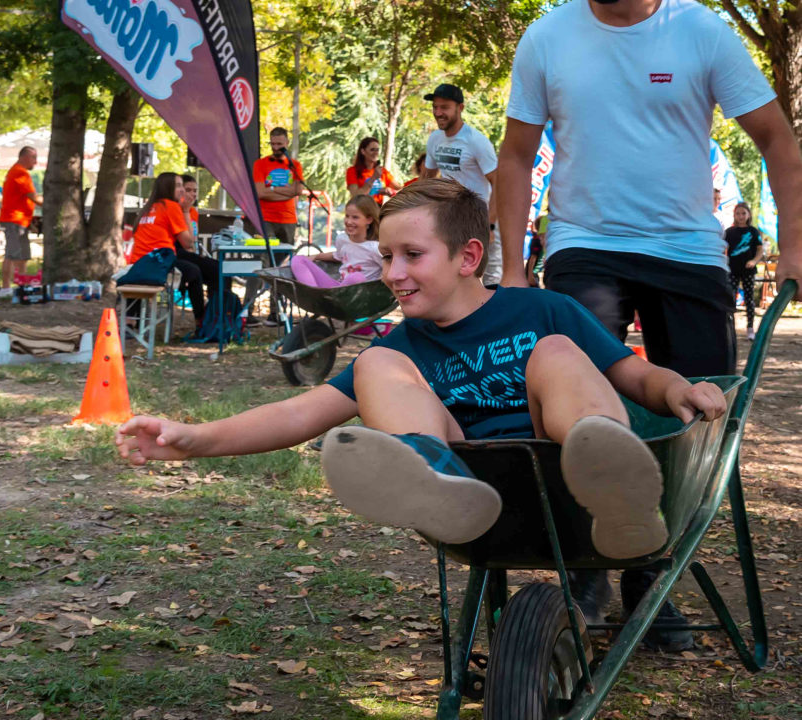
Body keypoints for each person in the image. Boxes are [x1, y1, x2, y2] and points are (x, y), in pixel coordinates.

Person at [116, 179, 727, 566]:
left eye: (411, 255)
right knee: (378, 361)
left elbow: (631, 374)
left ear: (468, 258)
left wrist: (677, 387)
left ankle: (612, 475)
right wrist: (195, 440)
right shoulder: (404, 346)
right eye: (385, 257)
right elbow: (299, 413)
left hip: (561, 464)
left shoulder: (542, 308)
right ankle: (433, 473)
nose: (391, 272)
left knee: (558, 352)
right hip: (482, 486)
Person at [497, 0, 802, 652]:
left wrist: (795, 247)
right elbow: (517, 156)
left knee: (693, 417)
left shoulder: (700, 31)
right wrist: (514, 269)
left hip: (689, 252)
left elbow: (776, 136)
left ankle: (651, 579)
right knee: (576, 398)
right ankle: (585, 572)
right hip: (584, 246)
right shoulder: (548, 36)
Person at [422, 83, 501, 285]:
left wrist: (488, 225)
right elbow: (427, 179)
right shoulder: (435, 139)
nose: (438, 113)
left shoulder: (476, 141)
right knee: (454, 276)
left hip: (481, 218)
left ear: (460, 108)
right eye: (435, 107)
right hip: (452, 217)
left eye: (445, 107)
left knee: (489, 281)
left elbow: (499, 184)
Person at [129, 172, 211, 328]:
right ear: (168, 187)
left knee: (188, 267)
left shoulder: (148, 206)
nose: (182, 190)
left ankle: (131, 320)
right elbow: (188, 243)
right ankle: (200, 321)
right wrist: (186, 211)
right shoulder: (171, 206)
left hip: (138, 264)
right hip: (157, 264)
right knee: (194, 272)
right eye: (178, 186)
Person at [249, 127, 305, 326]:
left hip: (288, 220)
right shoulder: (261, 164)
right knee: (263, 264)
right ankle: (247, 312)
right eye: (272, 144)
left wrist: (273, 189)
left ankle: (276, 313)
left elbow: (297, 190)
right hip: (265, 218)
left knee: (280, 267)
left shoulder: (294, 165)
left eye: (279, 144)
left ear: (287, 143)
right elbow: (260, 192)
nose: (276, 148)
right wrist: (284, 191)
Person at [290, 195, 382, 287]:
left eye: (355, 217)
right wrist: (316, 256)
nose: (349, 221)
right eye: (347, 216)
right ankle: (314, 294)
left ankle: (327, 298)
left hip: (359, 293)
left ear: (369, 220)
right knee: (298, 259)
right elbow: (337, 255)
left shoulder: (375, 247)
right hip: (338, 287)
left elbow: (388, 270)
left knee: (357, 277)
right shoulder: (342, 239)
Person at [176, 173, 223, 322]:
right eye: (188, 190)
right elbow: (186, 243)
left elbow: (193, 241)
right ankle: (203, 318)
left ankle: (218, 310)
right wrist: (184, 211)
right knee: (200, 270)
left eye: (195, 190)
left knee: (219, 268)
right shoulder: (176, 210)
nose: (193, 194)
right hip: (176, 253)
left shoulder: (193, 212)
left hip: (189, 252)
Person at [0, 146, 43, 291]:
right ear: (25, 156)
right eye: (34, 157)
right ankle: (5, 288)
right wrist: (52, 205)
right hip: (13, 220)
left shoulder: (18, 171)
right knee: (12, 254)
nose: (35, 162)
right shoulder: (20, 173)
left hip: (21, 220)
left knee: (23, 255)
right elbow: (33, 196)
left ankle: (21, 287)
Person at [725, 202, 764, 340]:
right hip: (732, 270)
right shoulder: (729, 232)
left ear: (748, 215)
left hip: (748, 270)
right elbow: (723, 249)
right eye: (738, 213)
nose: (741, 216)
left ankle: (750, 328)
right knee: (730, 299)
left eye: (743, 213)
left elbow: (760, 250)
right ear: (734, 215)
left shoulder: (753, 232)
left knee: (749, 299)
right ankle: (729, 328)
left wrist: (754, 261)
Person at [346, 137, 402, 205]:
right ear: (363, 151)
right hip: (361, 210)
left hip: (377, 210)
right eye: (372, 150)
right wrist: (373, 178)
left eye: (377, 150)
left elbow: (402, 190)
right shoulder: (352, 171)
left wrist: (390, 191)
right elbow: (355, 196)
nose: (375, 153)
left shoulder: (382, 171)